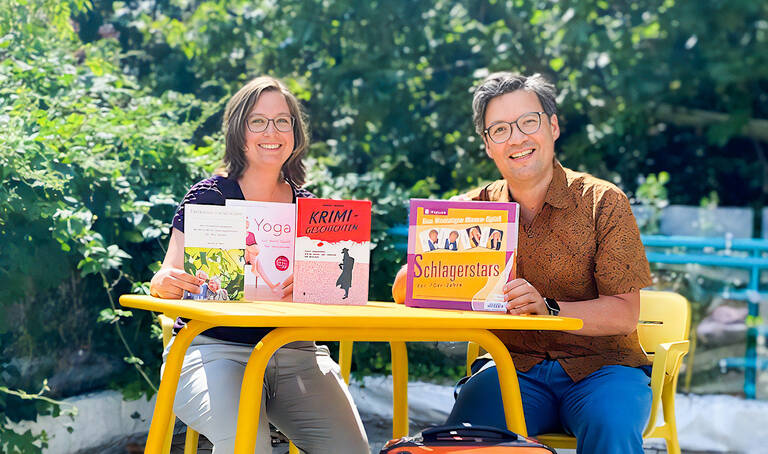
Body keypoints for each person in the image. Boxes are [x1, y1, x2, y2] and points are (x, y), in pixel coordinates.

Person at [394, 72, 652, 454]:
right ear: (487, 145)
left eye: (527, 122)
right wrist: (429, 274)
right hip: (510, 367)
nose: (516, 138)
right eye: (499, 129)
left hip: (603, 369)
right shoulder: (469, 211)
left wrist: (547, 309)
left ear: (552, 126)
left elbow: (624, 315)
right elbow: (404, 290)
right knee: (465, 441)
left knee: (611, 426)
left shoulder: (604, 201)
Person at [149, 76, 369, 454]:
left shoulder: (313, 210)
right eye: (258, 121)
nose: (273, 131)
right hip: (213, 350)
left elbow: (340, 296)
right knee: (247, 446)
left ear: (296, 133)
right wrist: (166, 281)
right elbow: (163, 278)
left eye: (283, 121)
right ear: (239, 130)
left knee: (351, 449)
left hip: (295, 350)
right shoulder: (210, 196)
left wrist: (317, 282)